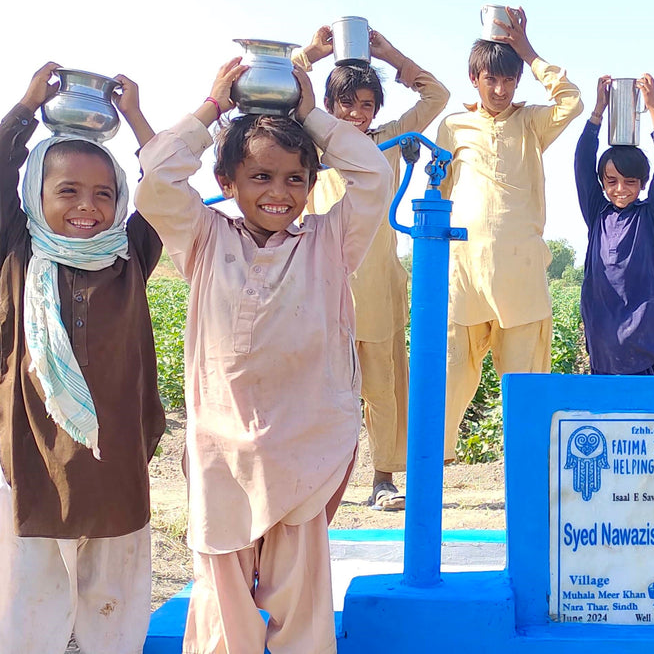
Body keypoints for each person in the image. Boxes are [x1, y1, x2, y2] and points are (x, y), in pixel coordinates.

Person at [135, 57, 391, 654]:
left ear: (311, 183)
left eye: (296, 179)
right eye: (261, 177)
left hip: (305, 452)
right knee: (222, 614)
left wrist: (313, 116)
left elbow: (373, 175)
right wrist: (210, 111)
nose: (280, 193)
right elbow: (153, 184)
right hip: (221, 455)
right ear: (227, 183)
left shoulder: (330, 242)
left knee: (301, 613)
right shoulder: (203, 238)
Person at [0, 63, 165, 653]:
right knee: (30, 592)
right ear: (34, 195)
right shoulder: (17, 252)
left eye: (103, 193)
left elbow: (167, 183)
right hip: (33, 458)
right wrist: (25, 108)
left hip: (116, 454)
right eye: (66, 191)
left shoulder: (132, 253)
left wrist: (140, 119)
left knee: (113, 591)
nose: (87, 207)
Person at [294, 25, 450, 510]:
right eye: (347, 105)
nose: (358, 115)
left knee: (382, 387)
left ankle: (383, 479)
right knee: (320, 387)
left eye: (366, 105)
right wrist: (313, 52)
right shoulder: (312, 144)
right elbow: (286, 83)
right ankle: (317, 481)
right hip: (322, 285)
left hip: (379, 284)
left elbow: (436, 94)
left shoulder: (388, 139)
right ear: (329, 105)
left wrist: (389, 53)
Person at [436, 6, 583, 461]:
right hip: (464, 275)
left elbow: (572, 101)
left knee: (524, 386)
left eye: (508, 80)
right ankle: (432, 467)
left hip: (519, 276)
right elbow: (438, 193)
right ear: (473, 79)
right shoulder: (452, 126)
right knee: (451, 374)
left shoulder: (531, 123)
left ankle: (528, 473)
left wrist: (527, 51)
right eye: (490, 80)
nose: (500, 90)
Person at [574, 73, 654, 375]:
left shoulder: (651, 217)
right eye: (612, 181)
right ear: (602, 183)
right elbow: (582, 161)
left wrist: (653, 109)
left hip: (642, 337)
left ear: (642, 183)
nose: (620, 189)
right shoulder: (597, 214)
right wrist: (598, 111)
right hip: (602, 333)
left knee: (640, 412)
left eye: (630, 182)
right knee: (607, 411)